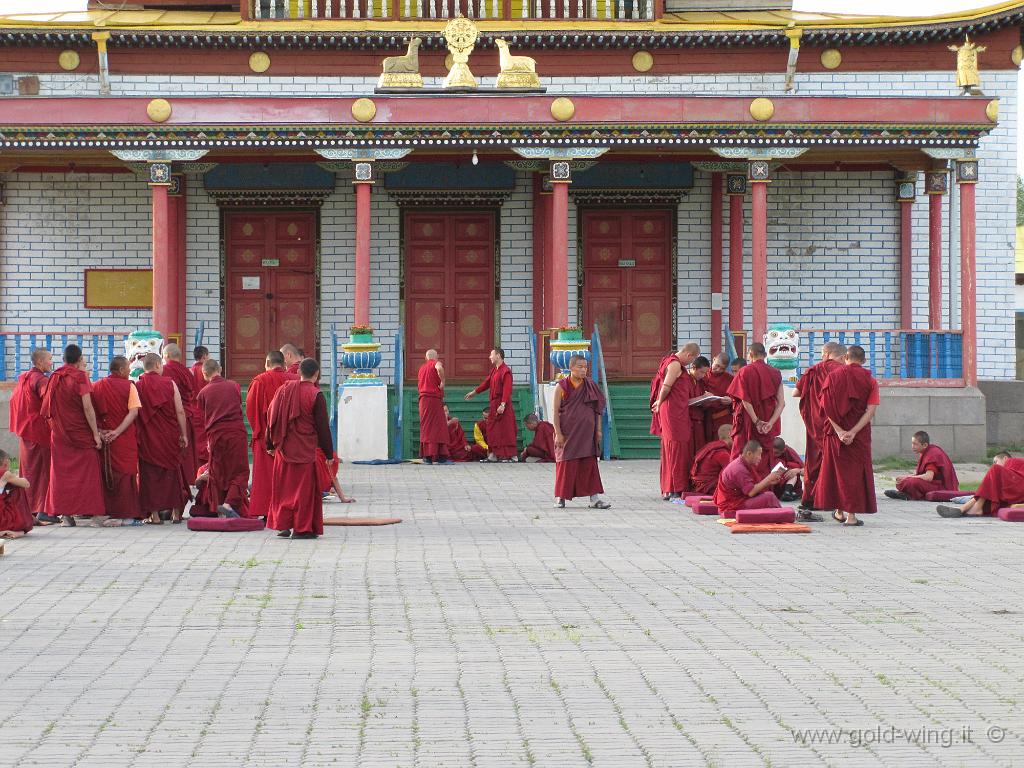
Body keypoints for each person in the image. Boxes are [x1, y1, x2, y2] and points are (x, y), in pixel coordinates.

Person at [266, 358, 336, 539]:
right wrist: (329, 453)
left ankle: (283, 526)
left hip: (284, 448)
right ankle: (301, 528)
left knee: (284, 489)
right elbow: (322, 427)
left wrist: (269, 443)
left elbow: (271, 416)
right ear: (316, 374)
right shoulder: (315, 395)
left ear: (299, 373)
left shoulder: (283, 390)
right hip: (305, 450)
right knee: (302, 492)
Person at [40, 345, 104, 526]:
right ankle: (94, 514)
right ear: (79, 359)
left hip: (60, 434)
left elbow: (48, 409)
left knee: (61, 474)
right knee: (89, 470)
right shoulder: (80, 377)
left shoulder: (55, 377)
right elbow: (87, 407)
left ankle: (66, 516)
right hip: (81, 433)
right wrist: (95, 434)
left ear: (64, 359)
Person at [815, 345, 879, 527]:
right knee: (854, 474)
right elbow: (871, 410)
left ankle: (840, 511)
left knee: (837, 472)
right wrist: (853, 432)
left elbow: (825, 408)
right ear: (864, 361)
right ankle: (849, 516)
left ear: (845, 358)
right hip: (858, 435)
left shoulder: (833, 377)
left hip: (836, 434)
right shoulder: (870, 380)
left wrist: (839, 431)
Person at [135, 353, 191, 525]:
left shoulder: (138, 385)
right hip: (169, 436)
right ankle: (175, 514)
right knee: (172, 473)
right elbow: (180, 410)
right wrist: (184, 434)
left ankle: (156, 516)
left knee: (149, 475)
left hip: (148, 438)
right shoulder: (169, 383)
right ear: (158, 365)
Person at [552, 355, 610, 509]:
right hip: (568, 433)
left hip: (586, 433)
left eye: (585, 367)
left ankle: (594, 499)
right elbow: (555, 411)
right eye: (580, 367)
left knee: (589, 465)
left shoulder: (590, 385)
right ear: (571, 368)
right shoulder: (562, 386)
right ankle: (561, 497)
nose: (583, 370)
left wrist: (598, 430)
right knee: (566, 464)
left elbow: (598, 409)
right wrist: (558, 433)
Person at [91, 356, 142, 525]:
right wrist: (117, 432)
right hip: (123, 437)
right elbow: (133, 412)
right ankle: (126, 514)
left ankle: (106, 511)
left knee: (106, 473)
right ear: (121, 371)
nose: (129, 371)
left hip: (104, 437)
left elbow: (89, 411)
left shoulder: (96, 386)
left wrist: (99, 431)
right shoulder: (129, 386)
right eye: (128, 367)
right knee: (126, 474)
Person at [794, 342, 844, 512]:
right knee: (834, 461)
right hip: (834, 425)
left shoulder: (813, 370)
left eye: (822, 353)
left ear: (827, 353)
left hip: (814, 423)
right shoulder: (842, 371)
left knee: (813, 461)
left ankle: (810, 499)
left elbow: (796, 393)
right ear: (843, 357)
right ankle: (831, 499)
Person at [246, 351, 297, 517]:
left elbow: (251, 409)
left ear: (267, 363)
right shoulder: (295, 381)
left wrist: (258, 431)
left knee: (266, 478)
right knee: (289, 478)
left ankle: (268, 513)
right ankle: (290, 511)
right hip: (292, 439)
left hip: (265, 439)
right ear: (283, 364)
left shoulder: (260, 381)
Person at [196, 358, 249, 518]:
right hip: (235, 433)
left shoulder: (203, 393)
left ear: (204, 374)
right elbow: (238, 407)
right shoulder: (234, 386)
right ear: (220, 369)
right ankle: (228, 504)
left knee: (217, 472)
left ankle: (218, 510)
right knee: (240, 472)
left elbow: (203, 418)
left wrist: (208, 441)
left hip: (215, 436)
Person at [650, 343, 701, 500]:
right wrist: (659, 401)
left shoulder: (672, 361)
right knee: (676, 448)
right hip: (672, 411)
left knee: (673, 448)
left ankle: (669, 488)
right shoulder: (674, 363)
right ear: (688, 355)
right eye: (693, 359)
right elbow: (666, 386)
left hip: (676, 409)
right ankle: (674, 489)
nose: (691, 363)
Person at [9, 347, 53, 524]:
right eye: (49, 359)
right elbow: (49, 401)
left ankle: (29, 508)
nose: (51, 362)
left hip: (26, 430)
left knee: (29, 470)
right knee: (42, 471)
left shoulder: (25, 378)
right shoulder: (41, 380)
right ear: (40, 362)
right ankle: (43, 509)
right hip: (39, 430)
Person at [727, 343, 784, 478]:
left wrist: (756, 421)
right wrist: (770, 423)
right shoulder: (776, 373)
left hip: (748, 421)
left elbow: (745, 400)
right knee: (763, 456)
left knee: (741, 452)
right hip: (768, 420)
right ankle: (762, 488)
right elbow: (781, 403)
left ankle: (740, 487)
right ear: (764, 355)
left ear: (750, 355)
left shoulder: (744, 371)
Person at [465, 348, 518, 462]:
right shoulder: (495, 370)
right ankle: (493, 454)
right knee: (492, 429)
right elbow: (486, 383)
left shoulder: (506, 371)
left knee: (506, 430)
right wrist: (474, 392)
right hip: (494, 404)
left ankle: (512, 456)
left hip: (503, 404)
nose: (490, 357)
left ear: (498, 355)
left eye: (491, 355)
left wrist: (503, 404)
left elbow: (507, 389)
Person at [937, 452, 1024, 518]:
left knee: (995, 469)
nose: (993, 464)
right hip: (1018, 490)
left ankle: (967, 508)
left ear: (1005, 458)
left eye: (995, 461)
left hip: (1020, 487)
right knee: (992, 492)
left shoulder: (1012, 462)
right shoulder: (1005, 476)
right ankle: (972, 508)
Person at [713, 440, 786, 518]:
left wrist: (769, 482)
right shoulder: (739, 469)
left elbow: (752, 486)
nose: (760, 458)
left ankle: (777, 515)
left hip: (738, 501)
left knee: (767, 496)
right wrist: (768, 478)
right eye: (758, 455)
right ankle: (781, 516)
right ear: (749, 454)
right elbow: (751, 492)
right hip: (731, 508)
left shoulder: (743, 464)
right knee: (769, 497)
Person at [162, 343, 199, 485]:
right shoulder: (188, 371)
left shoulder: (165, 370)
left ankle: (176, 481)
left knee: (175, 450)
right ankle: (188, 478)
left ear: (166, 356)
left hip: (173, 416)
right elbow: (193, 392)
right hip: (188, 414)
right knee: (187, 451)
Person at [886, 431, 959, 501]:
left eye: (915, 444)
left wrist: (907, 477)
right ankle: (906, 494)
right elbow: (921, 475)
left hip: (940, 487)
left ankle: (908, 495)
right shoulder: (926, 452)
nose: (913, 446)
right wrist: (905, 477)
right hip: (932, 484)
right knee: (901, 481)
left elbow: (928, 477)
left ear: (925, 445)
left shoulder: (932, 454)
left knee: (911, 482)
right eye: (912, 443)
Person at [417, 349, 450, 464]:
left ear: (426, 358)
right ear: (436, 357)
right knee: (439, 427)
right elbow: (439, 368)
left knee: (426, 427)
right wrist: (443, 381)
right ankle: (441, 456)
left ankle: (428, 457)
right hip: (433, 400)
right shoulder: (435, 363)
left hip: (423, 400)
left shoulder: (422, 368)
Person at [690, 424, 733, 495]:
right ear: (730, 434)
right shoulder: (722, 453)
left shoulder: (710, 446)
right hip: (709, 488)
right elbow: (733, 473)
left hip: (698, 486)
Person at [0, 449, 34, 538]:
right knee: (18, 487)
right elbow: (26, 484)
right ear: (5, 462)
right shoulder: (5, 474)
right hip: (3, 521)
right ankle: (20, 528)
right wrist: (13, 477)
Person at [703, 353, 734, 443]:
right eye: (717, 366)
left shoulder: (729, 379)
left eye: (722, 368)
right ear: (714, 359)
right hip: (706, 418)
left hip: (723, 418)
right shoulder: (703, 375)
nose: (718, 370)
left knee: (723, 444)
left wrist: (731, 400)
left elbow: (738, 398)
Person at [190, 345, 211, 464]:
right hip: (205, 408)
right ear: (204, 356)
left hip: (193, 408)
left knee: (197, 439)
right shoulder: (206, 370)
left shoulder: (190, 370)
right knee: (205, 439)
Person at [770, 436, 804, 503]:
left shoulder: (789, 451)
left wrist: (797, 470)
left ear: (783, 450)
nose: (774, 455)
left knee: (793, 466)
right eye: (772, 452)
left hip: (789, 483)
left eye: (777, 453)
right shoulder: (767, 452)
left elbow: (806, 470)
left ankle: (787, 492)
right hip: (773, 484)